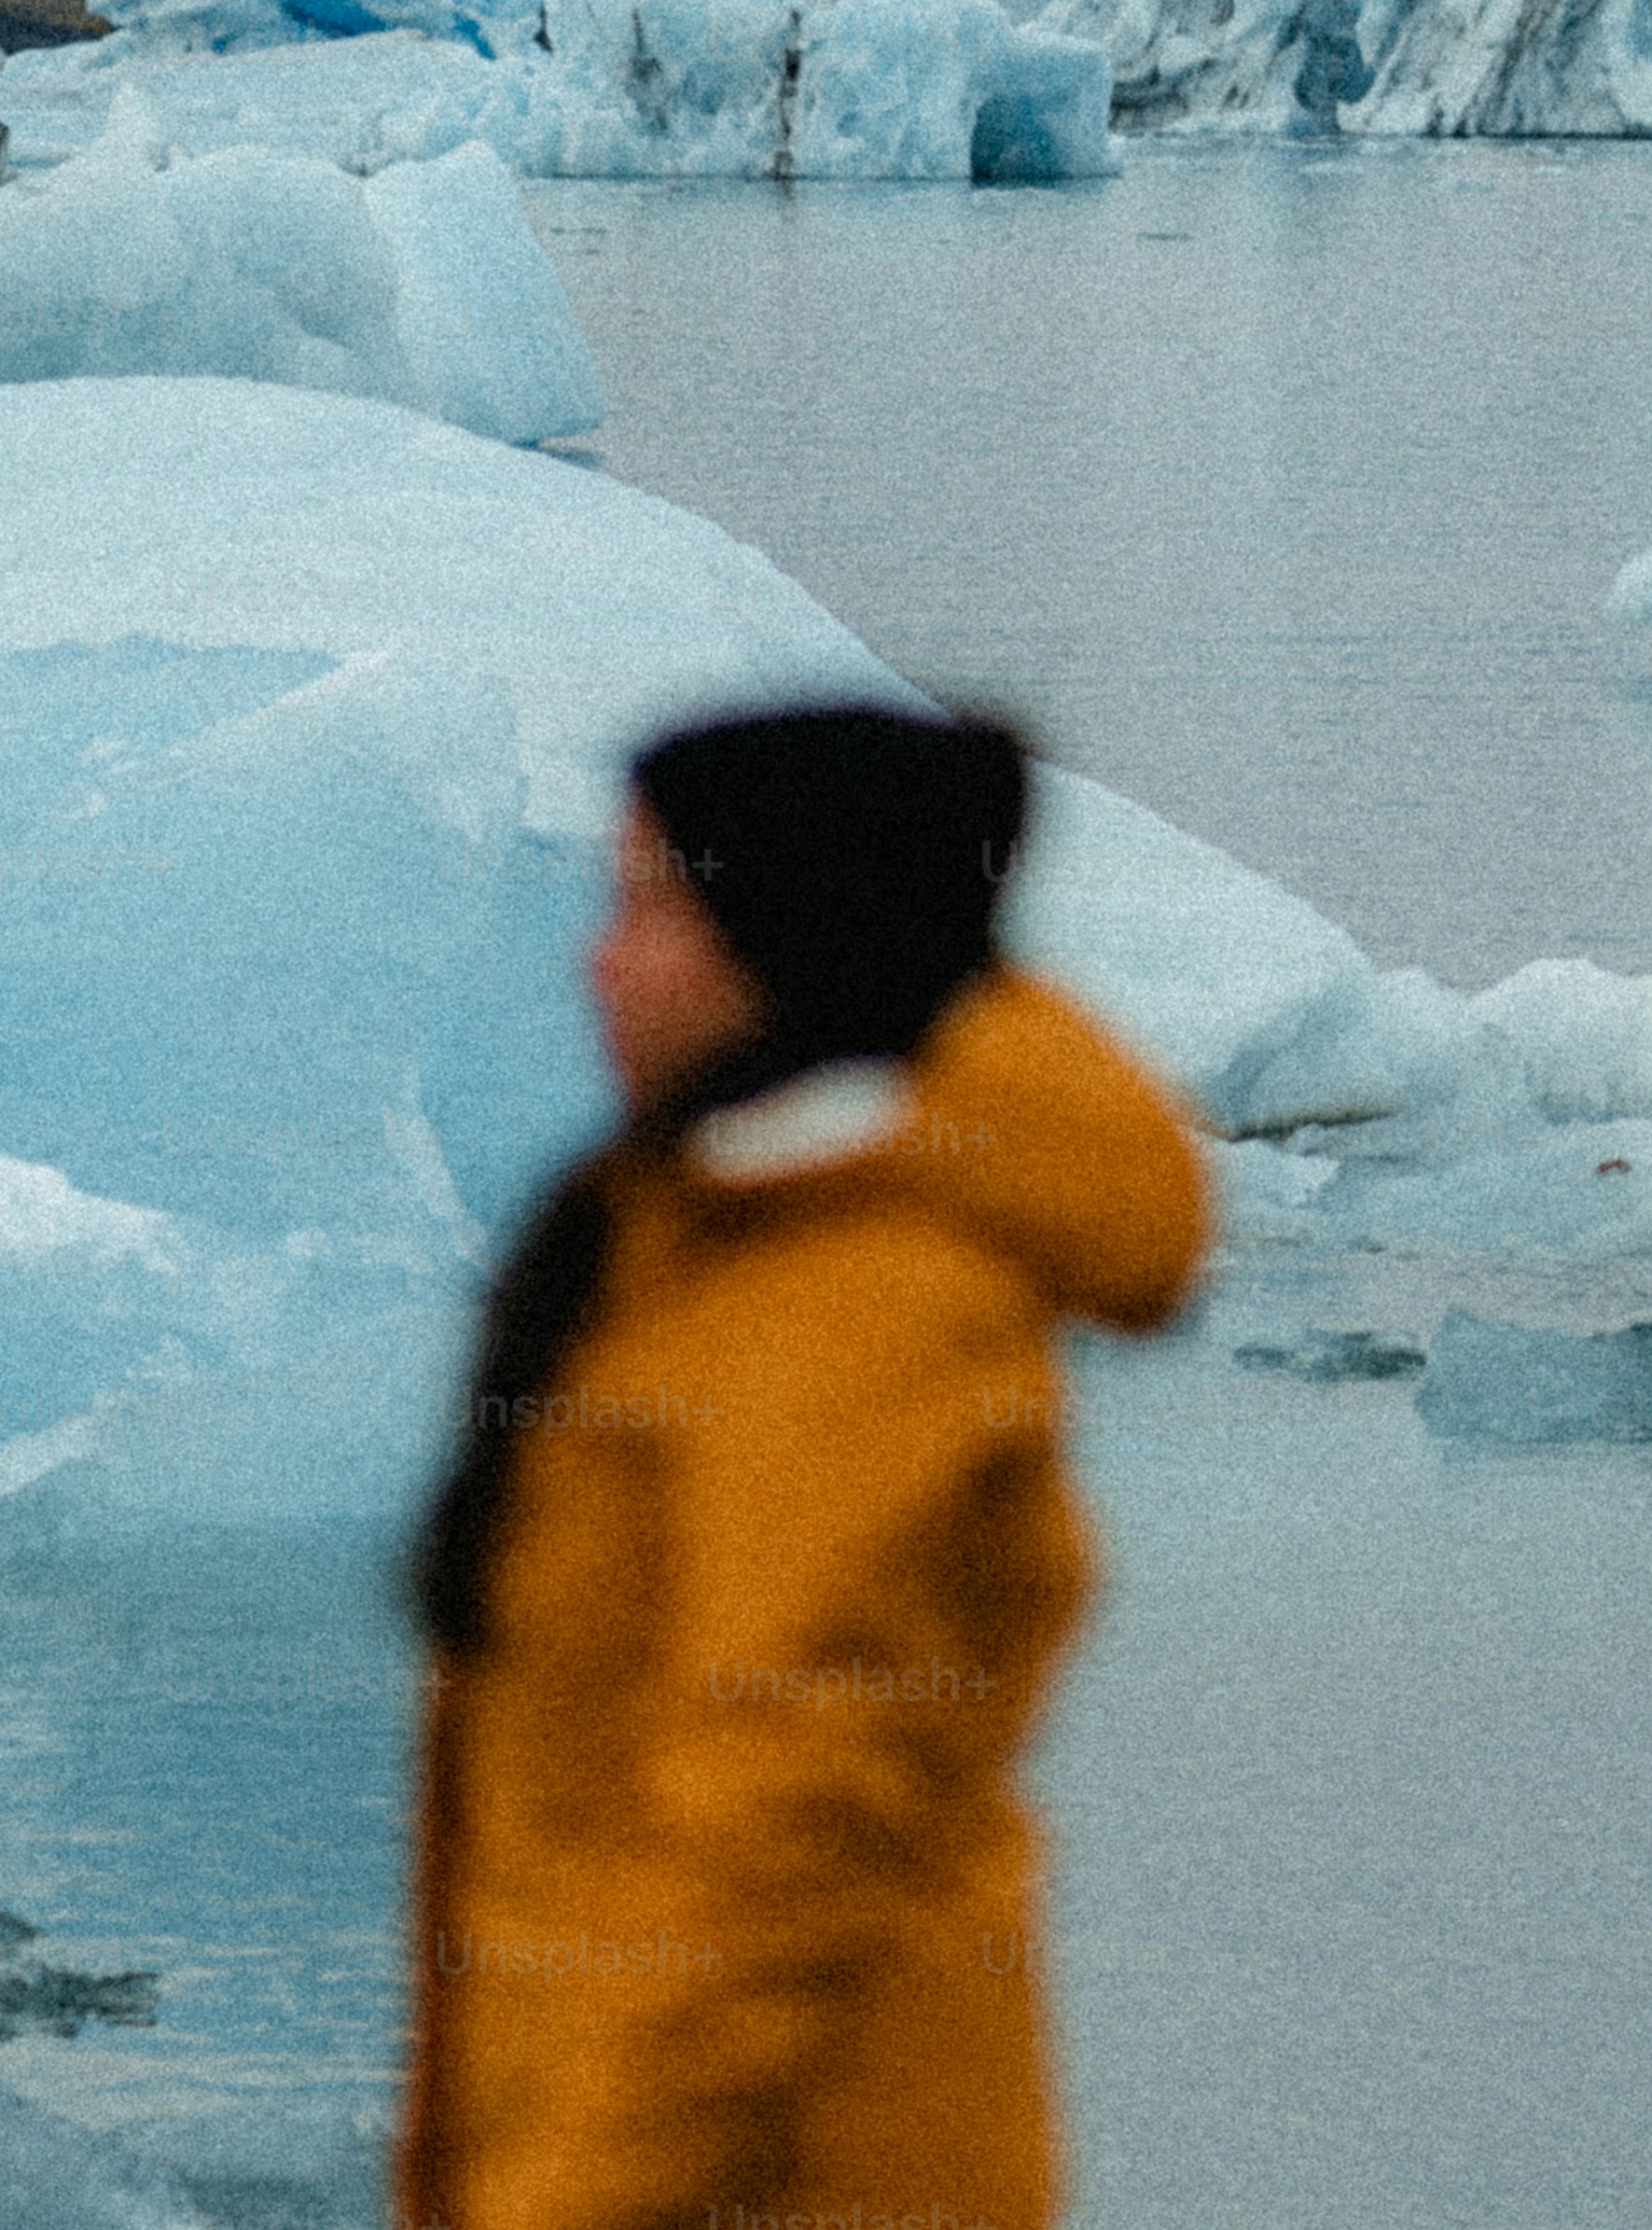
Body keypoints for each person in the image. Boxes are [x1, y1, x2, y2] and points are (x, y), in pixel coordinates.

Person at [396, 704, 1208, 2230]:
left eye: (647, 908)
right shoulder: (702, 1240)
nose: (599, 961)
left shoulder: (859, 1299)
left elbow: (778, 1823)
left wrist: (571, 2197)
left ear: (783, 933)